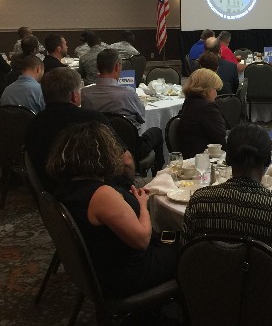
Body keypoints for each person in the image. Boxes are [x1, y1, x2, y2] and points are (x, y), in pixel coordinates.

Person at [183, 123, 272, 326]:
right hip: (266, 311)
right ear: (269, 162)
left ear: (228, 159)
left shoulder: (199, 201)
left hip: (207, 305)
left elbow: (187, 263)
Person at [50, 122, 178, 297]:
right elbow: (142, 240)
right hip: (127, 274)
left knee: (171, 235)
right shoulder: (101, 195)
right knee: (189, 244)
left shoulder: (65, 188)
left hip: (102, 266)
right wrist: (142, 205)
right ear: (104, 155)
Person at [25, 67, 135, 193]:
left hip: (51, 198)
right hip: (97, 196)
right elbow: (126, 161)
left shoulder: (32, 125)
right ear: (74, 96)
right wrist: (131, 186)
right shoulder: (92, 119)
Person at [81, 49, 165, 173]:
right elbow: (141, 118)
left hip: (96, 148)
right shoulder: (128, 93)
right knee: (156, 132)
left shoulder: (84, 94)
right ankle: (158, 174)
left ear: (97, 67)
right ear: (117, 67)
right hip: (129, 148)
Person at [177, 68, 227, 159]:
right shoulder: (207, 108)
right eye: (215, 89)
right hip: (205, 159)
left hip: (190, 155)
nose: (216, 94)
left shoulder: (189, 103)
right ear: (207, 89)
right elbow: (221, 139)